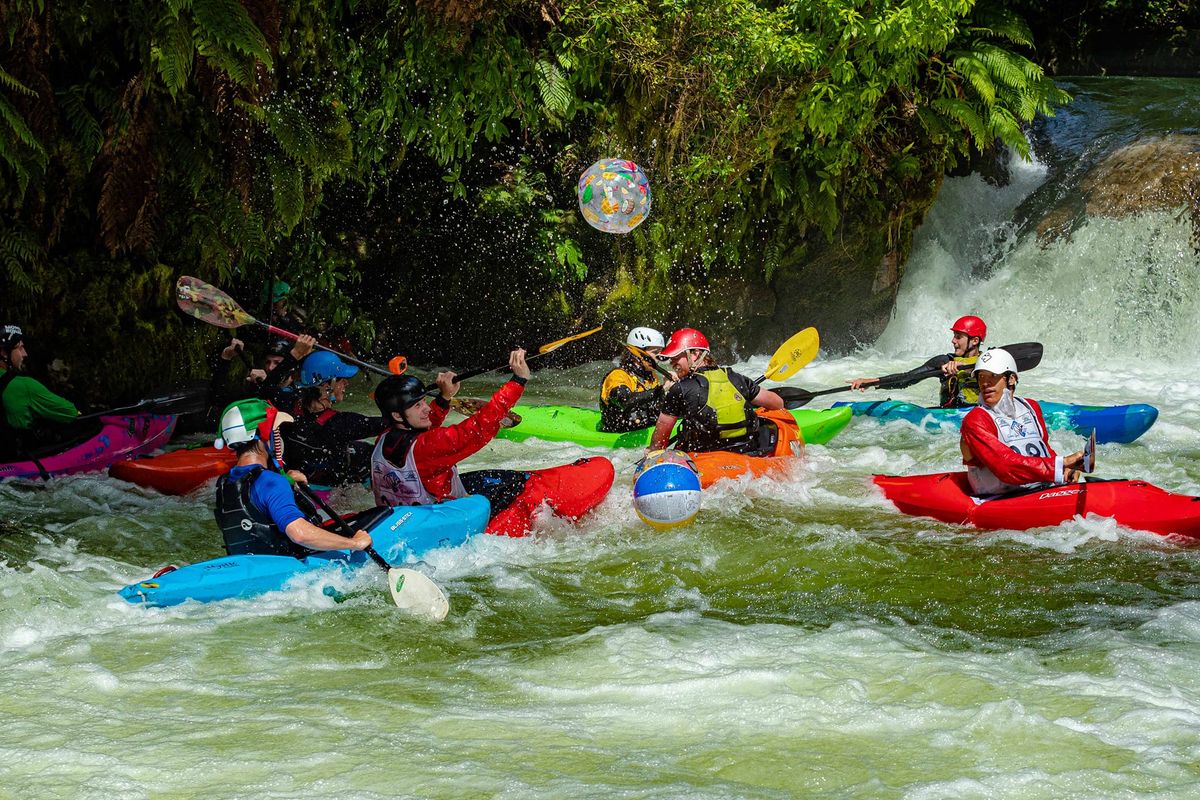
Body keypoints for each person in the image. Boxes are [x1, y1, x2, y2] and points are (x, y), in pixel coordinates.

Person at [371, 349, 531, 511]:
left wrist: (444, 398)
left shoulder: (384, 438)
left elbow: (422, 437)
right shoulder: (426, 448)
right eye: (418, 405)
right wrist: (518, 381)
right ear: (398, 415)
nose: (426, 409)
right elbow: (478, 429)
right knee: (518, 483)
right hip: (440, 521)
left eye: (424, 401)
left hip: (400, 517)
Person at [212, 398, 371, 556]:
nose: (278, 436)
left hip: (251, 562)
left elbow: (253, 508)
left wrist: (286, 481)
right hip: (287, 568)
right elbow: (299, 534)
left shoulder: (225, 482)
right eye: (275, 430)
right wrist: (354, 543)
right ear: (264, 435)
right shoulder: (271, 482)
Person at [960, 348, 1084, 496]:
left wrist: (1065, 471)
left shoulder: (1031, 407)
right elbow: (1005, 467)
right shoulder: (976, 419)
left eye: (992, 376)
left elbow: (1044, 450)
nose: (984, 383)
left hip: (1037, 489)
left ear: (1011, 379)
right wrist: (1060, 464)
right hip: (997, 499)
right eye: (981, 377)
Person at [649, 328, 790, 456]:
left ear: (695, 354)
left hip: (705, 460)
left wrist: (650, 453)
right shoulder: (736, 378)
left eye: (676, 356)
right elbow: (778, 403)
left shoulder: (680, 389)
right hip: (748, 455)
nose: (672, 363)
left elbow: (659, 442)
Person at [280, 351, 382, 486]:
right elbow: (386, 424)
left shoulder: (288, 404)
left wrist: (292, 355)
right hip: (332, 484)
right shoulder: (341, 423)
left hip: (302, 472)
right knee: (374, 454)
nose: (346, 383)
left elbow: (267, 389)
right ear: (326, 387)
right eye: (341, 379)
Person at [850, 315, 988, 408]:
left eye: (958, 337)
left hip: (978, 414)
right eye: (954, 336)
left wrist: (964, 366)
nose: (953, 341)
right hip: (948, 419)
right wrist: (873, 382)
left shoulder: (989, 361)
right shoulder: (944, 361)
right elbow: (907, 378)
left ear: (975, 341)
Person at [0, 325, 79, 451]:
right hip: (17, 458)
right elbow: (70, 413)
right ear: (3, 352)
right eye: (20, 347)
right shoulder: (24, 385)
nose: (25, 353)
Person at [598, 327, 673, 433]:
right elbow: (626, 401)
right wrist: (661, 390)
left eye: (660, 352)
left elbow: (656, 409)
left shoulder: (651, 376)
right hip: (616, 436)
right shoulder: (617, 376)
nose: (659, 357)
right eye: (655, 352)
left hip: (640, 430)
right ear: (638, 352)